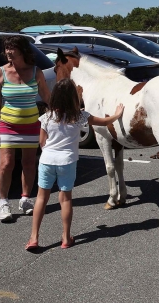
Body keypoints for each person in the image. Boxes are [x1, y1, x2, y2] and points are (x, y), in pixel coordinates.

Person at [25, 79, 125, 250]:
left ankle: (34, 237)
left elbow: (42, 142)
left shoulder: (46, 117)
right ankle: (65, 237)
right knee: (65, 199)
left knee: (42, 197)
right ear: (73, 97)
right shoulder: (80, 116)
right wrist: (117, 114)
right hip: (67, 162)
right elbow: (104, 121)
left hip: (47, 160)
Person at [0, 35, 51, 222]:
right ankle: (3, 203)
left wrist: (64, 115)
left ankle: (25, 199)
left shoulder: (36, 72)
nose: (8, 52)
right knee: (6, 164)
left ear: (22, 50)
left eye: (12, 48)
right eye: (6, 48)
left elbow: (48, 99)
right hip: (7, 125)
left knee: (29, 163)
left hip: (31, 125)